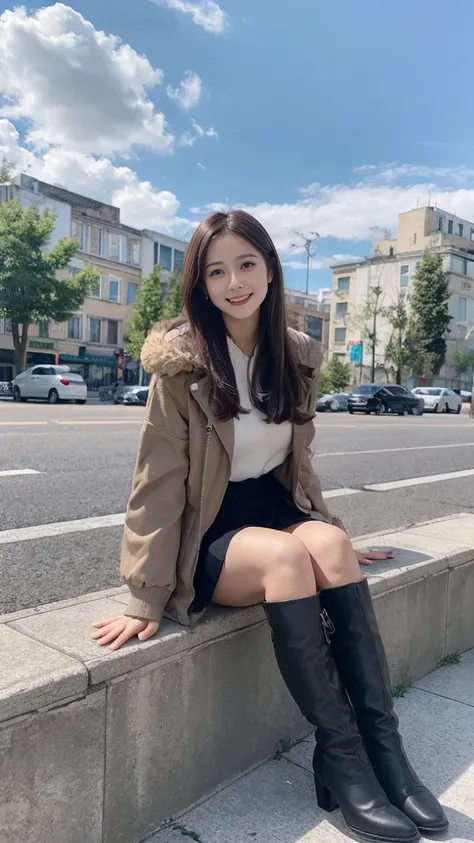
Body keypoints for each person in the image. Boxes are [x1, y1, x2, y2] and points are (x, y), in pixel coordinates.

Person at [92, 210, 447, 843]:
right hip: (211, 528)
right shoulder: (182, 365)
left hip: (275, 508)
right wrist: (144, 594)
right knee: (286, 561)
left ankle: (383, 750)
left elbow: (299, 465)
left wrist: (328, 531)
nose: (234, 282)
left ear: (270, 268)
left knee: (330, 544)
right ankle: (342, 758)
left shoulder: (298, 356)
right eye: (217, 270)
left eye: (246, 264)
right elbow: (157, 485)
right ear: (200, 284)